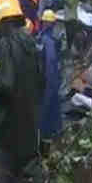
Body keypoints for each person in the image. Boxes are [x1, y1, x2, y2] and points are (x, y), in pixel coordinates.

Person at [0, 0, 44, 175]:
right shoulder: (30, 41)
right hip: (30, 118)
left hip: (12, 122)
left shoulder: (6, 43)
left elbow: (6, 84)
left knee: (10, 171)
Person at [38, 10, 62, 141]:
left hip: (49, 78)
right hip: (51, 77)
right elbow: (52, 60)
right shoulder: (50, 39)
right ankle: (54, 131)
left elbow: (50, 60)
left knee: (47, 106)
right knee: (52, 106)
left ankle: (45, 134)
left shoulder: (46, 40)